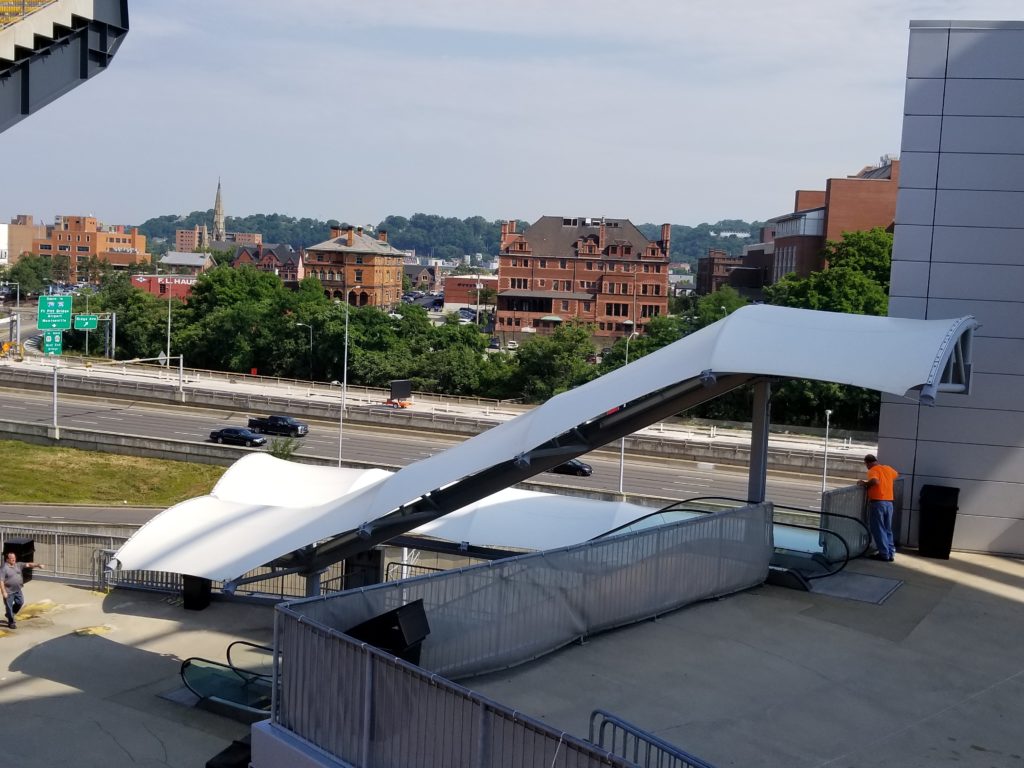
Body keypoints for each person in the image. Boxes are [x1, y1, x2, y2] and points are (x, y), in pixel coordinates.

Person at [858, 454, 899, 562]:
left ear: (868, 462)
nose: (867, 466)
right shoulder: (888, 468)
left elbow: (875, 481)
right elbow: (896, 475)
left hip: (878, 503)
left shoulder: (873, 470)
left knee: (879, 529)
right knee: (887, 529)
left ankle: (884, 554)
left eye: (866, 464)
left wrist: (866, 484)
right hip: (889, 502)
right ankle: (891, 553)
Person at [2, 550, 44, 629]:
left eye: (14, 558)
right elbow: (1, 581)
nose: (14, 560)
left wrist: (38, 565)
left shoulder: (18, 565)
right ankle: (11, 622)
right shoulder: (4, 568)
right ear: (7, 559)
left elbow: (28, 564)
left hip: (18, 590)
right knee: (9, 607)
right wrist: (4, 592)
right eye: (12, 559)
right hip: (9, 592)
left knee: (20, 602)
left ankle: (9, 614)